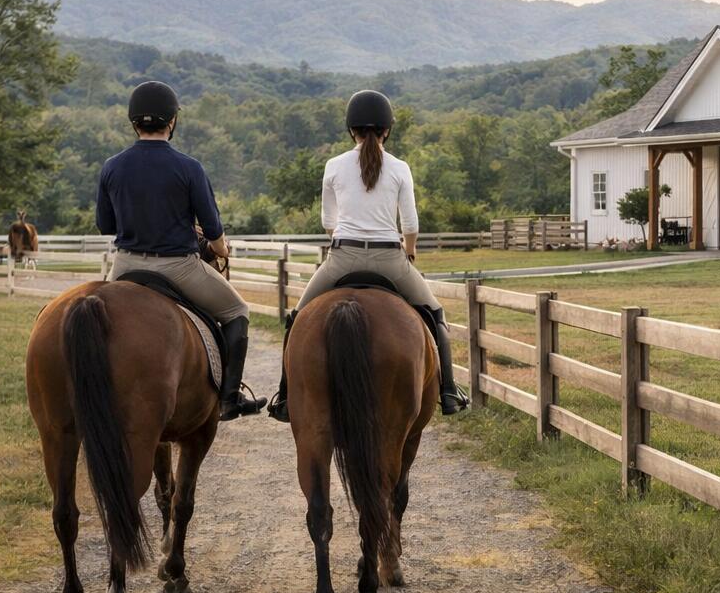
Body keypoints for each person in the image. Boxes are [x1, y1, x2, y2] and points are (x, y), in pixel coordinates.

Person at [269, 89, 465, 422]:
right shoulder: (400, 167)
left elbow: (328, 222)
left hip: (342, 258)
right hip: (390, 260)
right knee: (435, 315)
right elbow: (411, 222)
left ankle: (285, 397)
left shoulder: (333, 165)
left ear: (351, 130)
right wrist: (411, 250)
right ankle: (448, 392)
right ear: (387, 129)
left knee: (298, 317)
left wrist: (344, 240)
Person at [96, 81, 266, 421]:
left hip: (126, 266)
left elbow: (106, 226)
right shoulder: (189, 167)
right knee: (237, 310)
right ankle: (229, 399)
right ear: (172, 121)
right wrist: (222, 249)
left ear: (134, 123)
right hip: (179, 268)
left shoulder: (112, 166)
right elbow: (214, 233)